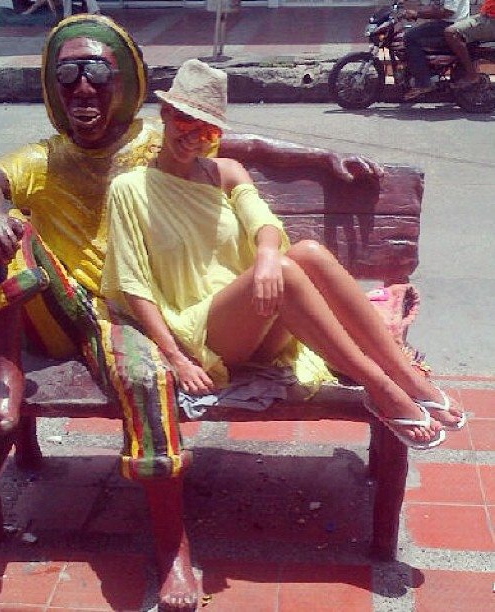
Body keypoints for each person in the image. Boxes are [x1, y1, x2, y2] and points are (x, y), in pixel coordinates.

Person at [0, 14, 395, 610]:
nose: (83, 89)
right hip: (68, 308)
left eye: (98, 73)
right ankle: (6, 369)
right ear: (51, 87)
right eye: (67, 76)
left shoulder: (151, 141)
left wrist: (324, 157)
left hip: (132, 313)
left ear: (126, 83)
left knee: (146, 377)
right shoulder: (42, 158)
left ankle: (172, 548)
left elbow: (244, 147)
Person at [103, 59, 468, 603]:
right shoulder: (130, 189)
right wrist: (176, 357)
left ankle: (405, 379)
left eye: (206, 128)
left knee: (307, 252)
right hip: (202, 329)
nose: (193, 136)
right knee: (295, 270)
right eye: (184, 121)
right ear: (166, 114)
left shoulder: (226, 172)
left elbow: (264, 223)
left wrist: (268, 256)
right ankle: (381, 385)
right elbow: (132, 287)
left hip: (260, 308)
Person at [402, 0, 469, 99]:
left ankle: (423, 83)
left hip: (452, 25)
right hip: (447, 23)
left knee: (410, 37)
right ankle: (428, 71)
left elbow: (448, 12)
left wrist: (417, 14)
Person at [444, 0, 495, 88]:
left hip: (491, 20)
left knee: (451, 32)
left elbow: (449, 12)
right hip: (485, 16)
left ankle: (472, 75)